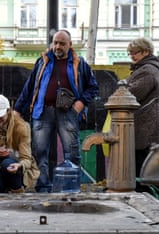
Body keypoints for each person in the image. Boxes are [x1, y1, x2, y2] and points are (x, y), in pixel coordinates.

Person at [13, 30, 99, 193]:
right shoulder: (42, 61)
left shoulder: (79, 64)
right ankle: (43, 187)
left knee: (72, 153)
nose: (57, 46)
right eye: (55, 42)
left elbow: (93, 87)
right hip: (42, 111)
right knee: (39, 152)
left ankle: (70, 188)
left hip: (68, 113)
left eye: (62, 43)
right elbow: (29, 87)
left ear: (70, 44)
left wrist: (80, 103)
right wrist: (18, 110)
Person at [126, 37, 159, 193]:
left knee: (143, 164)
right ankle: (151, 193)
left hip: (144, 125)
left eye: (135, 53)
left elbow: (131, 94)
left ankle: (152, 196)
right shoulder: (149, 68)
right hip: (146, 124)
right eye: (130, 53)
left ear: (146, 52)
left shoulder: (147, 71)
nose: (132, 56)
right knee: (146, 163)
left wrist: (122, 88)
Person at [0, 94, 40, 193]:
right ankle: (5, 191)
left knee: (7, 163)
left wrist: (18, 166)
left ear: (8, 111)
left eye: (0, 115)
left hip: (19, 170)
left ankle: (17, 190)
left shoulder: (21, 127)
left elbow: (27, 159)